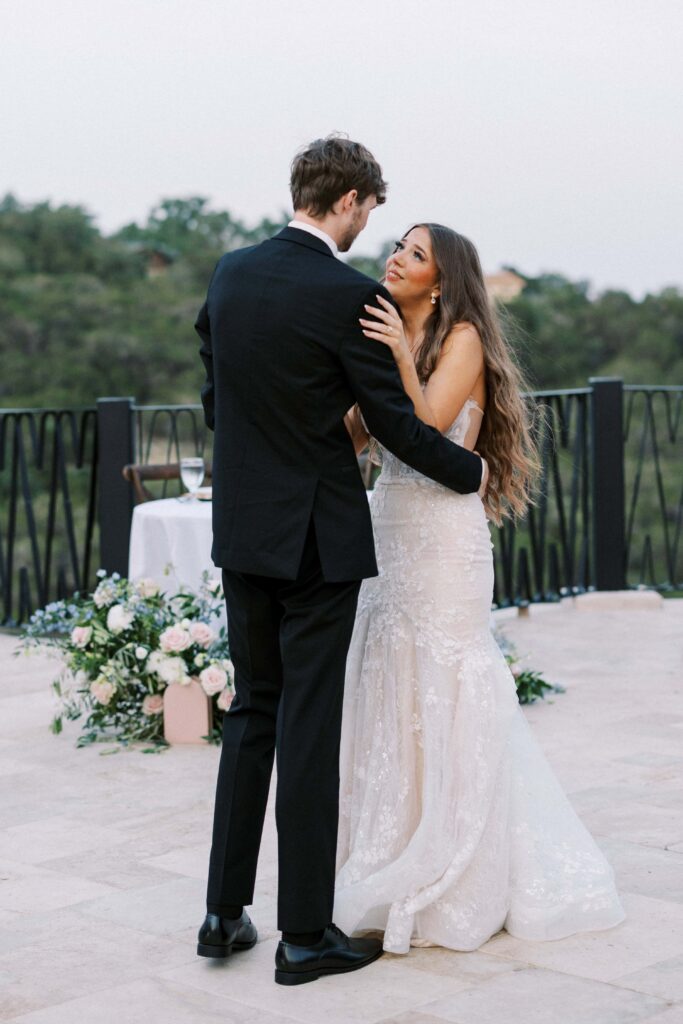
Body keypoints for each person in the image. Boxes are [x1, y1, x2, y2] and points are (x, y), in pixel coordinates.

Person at [193, 138, 488, 985]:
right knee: (308, 728)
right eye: (372, 212)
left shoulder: (230, 274)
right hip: (317, 540)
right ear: (352, 199)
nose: (374, 230)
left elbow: (218, 397)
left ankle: (221, 916)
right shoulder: (347, 295)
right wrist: (467, 471)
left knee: (251, 714)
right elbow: (395, 422)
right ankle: (303, 936)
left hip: (244, 531)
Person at [333, 223, 626, 952]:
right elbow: (359, 437)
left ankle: (463, 866)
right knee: (387, 679)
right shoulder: (381, 334)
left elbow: (431, 425)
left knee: (446, 678)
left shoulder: (459, 335)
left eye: (412, 253)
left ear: (439, 278)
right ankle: (389, 845)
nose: (393, 259)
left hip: (443, 535)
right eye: (395, 247)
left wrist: (398, 352)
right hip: (388, 526)